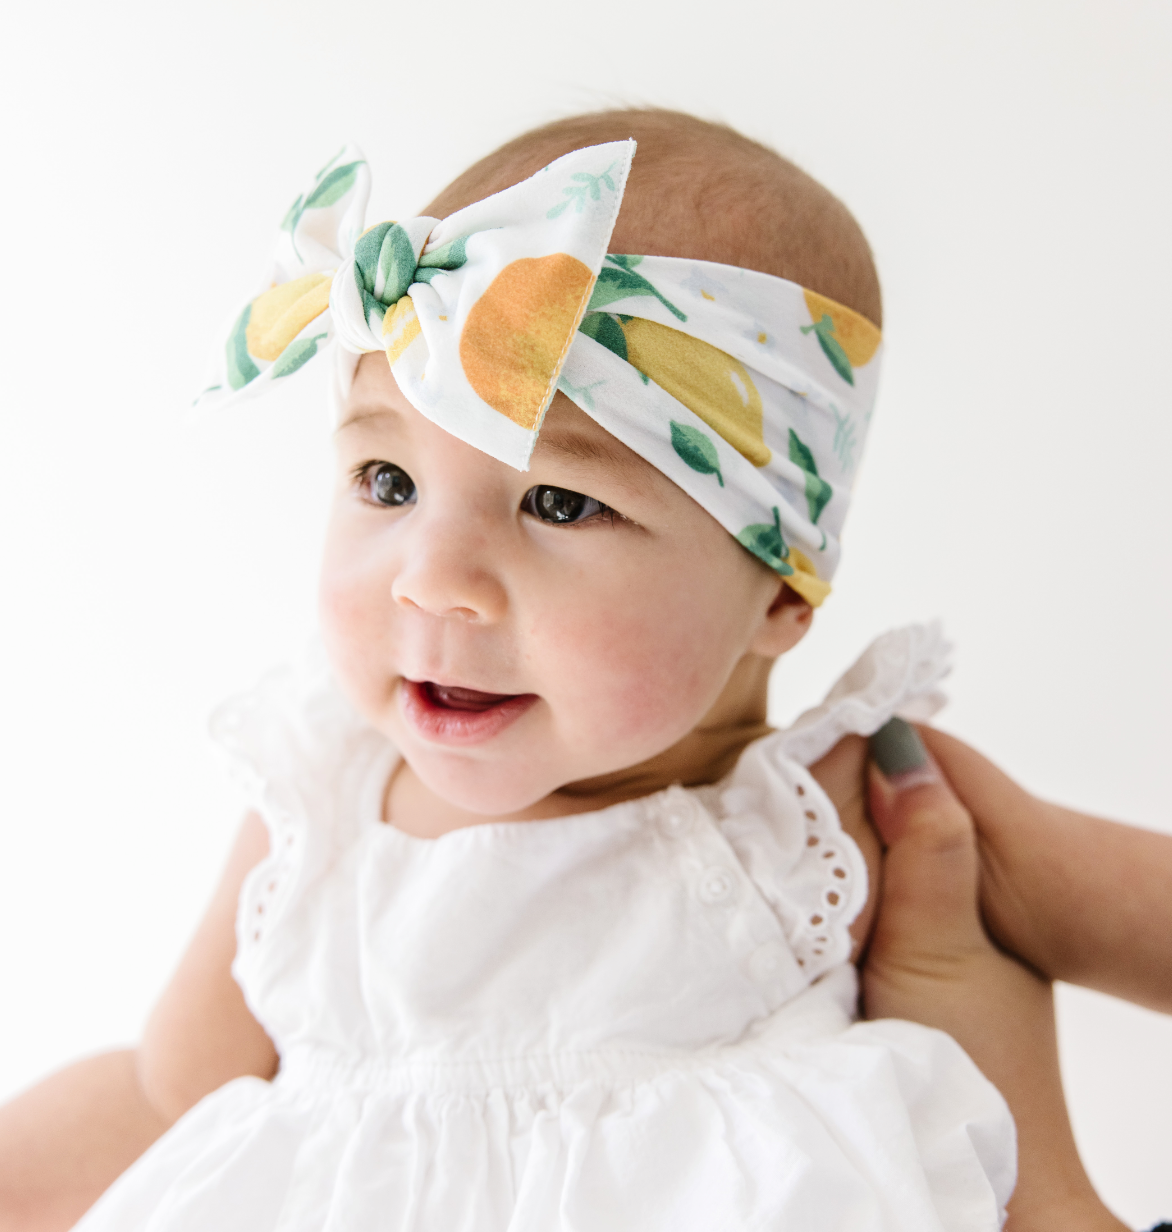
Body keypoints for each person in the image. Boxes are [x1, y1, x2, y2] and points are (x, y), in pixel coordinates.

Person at [0, 108, 1166, 1230]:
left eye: (557, 502)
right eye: (388, 483)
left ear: (777, 586)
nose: (431, 579)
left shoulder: (847, 817)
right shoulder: (321, 811)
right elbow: (171, 1095)